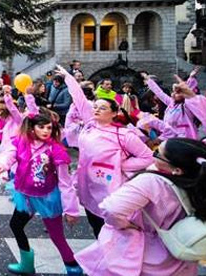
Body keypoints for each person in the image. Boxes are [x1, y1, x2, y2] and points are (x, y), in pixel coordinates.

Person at [76, 138, 206, 274]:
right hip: (179, 251)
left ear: (176, 169)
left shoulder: (151, 182)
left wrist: (123, 224)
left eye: (158, 153)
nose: (153, 153)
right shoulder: (200, 181)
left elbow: (111, 208)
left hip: (144, 250)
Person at [57, 65, 153, 238]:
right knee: (95, 226)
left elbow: (147, 157)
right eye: (95, 107)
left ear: (114, 113)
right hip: (88, 186)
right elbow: (79, 99)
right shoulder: (89, 125)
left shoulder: (124, 134)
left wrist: (121, 164)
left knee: (111, 229)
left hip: (110, 188)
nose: (96, 110)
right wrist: (68, 78)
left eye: (102, 108)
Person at [0, 110, 82, 275]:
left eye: (49, 128)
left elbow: (65, 183)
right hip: (25, 195)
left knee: (57, 236)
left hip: (47, 198)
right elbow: (9, 154)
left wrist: (71, 210)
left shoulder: (55, 150)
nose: (46, 131)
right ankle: (27, 264)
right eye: (41, 127)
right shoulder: (22, 142)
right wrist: (2, 164)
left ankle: (73, 268)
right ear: (32, 128)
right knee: (15, 225)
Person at [143, 73, 200, 139]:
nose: (173, 94)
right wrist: (149, 80)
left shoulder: (187, 106)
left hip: (184, 136)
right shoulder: (171, 103)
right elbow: (159, 93)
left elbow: (190, 94)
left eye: (177, 93)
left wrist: (191, 79)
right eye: (174, 92)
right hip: (170, 134)